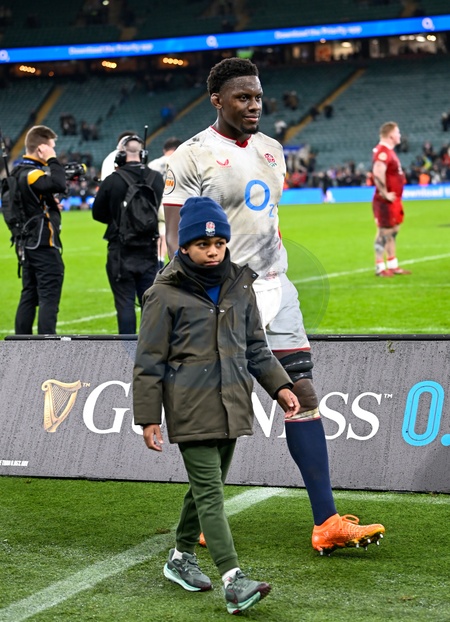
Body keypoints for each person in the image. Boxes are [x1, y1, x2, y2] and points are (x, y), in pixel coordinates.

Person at [163, 57, 385, 555]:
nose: (254, 105)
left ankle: (326, 521)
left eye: (258, 97)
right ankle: (201, 520)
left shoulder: (272, 149)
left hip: (276, 286)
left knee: (302, 393)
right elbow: (175, 233)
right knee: (221, 409)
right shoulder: (192, 155)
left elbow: (269, 218)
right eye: (242, 97)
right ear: (217, 100)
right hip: (225, 294)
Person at [133, 196, 300, 614]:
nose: (213, 251)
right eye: (203, 244)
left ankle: (179, 558)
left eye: (219, 244)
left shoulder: (241, 285)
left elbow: (256, 348)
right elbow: (148, 362)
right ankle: (233, 580)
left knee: (205, 488)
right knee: (211, 494)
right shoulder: (162, 295)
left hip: (233, 402)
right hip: (189, 408)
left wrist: (281, 387)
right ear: (185, 246)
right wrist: (148, 418)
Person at [92, 135, 164, 334]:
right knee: (149, 305)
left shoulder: (112, 180)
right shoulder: (156, 178)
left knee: (125, 304)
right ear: (143, 154)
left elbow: (97, 214)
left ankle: (126, 350)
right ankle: (151, 349)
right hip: (149, 250)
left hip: (120, 250)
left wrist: (118, 218)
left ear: (120, 155)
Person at [13, 125, 66, 335]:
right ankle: (46, 346)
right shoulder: (33, 173)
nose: (54, 151)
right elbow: (59, 184)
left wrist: (50, 204)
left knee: (29, 294)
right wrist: (52, 159)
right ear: (41, 148)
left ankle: (21, 343)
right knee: (49, 296)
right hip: (43, 243)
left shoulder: (18, 171)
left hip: (27, 243)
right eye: (51, 147)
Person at [372, 121, 411, 277]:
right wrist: (385, 193)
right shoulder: (383, 152)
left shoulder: (388, 151)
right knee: (384, 231)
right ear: (391, 135)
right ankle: (379, 267)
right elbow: (377, 172)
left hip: (394, 200)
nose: (400, 135)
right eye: (398, 132)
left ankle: (393, 264)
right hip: (385, 201)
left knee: (393, 230)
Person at [148, 136, 182, 268]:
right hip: (174, 203)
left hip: (155, 204)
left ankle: (159, 262)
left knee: (160, 235)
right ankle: (176, 265)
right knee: (175, 236)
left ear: (164, 150)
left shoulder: (153, 164)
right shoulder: (181, 162)